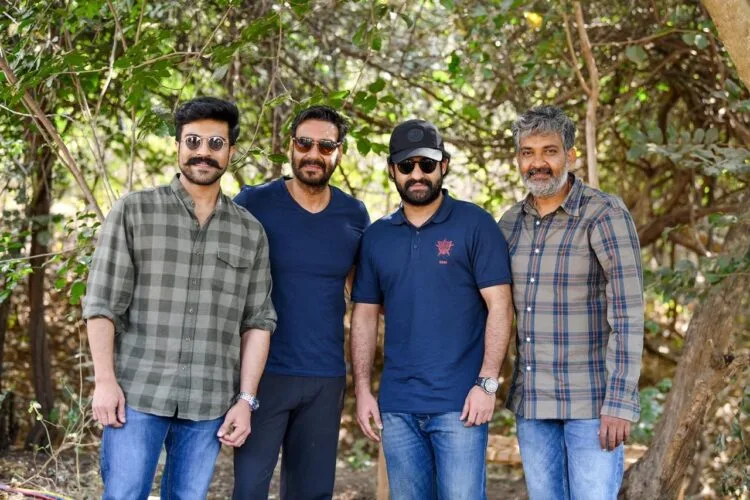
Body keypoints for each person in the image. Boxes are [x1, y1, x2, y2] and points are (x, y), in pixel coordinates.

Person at [83, 97, 276, 500]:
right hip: (136, 395)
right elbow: (102, 304)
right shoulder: (135, 212)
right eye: (193, 141)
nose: (203, 152)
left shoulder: (250, 232)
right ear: (178, 145)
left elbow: (258, 321)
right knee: (123, 495)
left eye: (215, 143)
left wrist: (245, 400)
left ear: (231, 151)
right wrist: (104, 382)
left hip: (209, 403)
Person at [350, 119, 513, 500]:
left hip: (461, 406)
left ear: (444, 165)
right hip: (398, 408)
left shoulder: (476, 224)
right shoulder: (376, 237)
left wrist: (487, 384)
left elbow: (501, 306)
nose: (417, 174)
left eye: (427, 164)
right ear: (392, 170)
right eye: (406, 165)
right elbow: (365, 316)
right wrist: (363, 390)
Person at [498, 105, 644, 499]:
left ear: (571, 155)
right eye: (528, 152)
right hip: (533, 404)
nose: (538, 163)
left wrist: (620, 401)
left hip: (591, 406)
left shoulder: (603, 213)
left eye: (550, 151)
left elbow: (628, 312)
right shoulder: (510, 223)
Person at [232, 105, 370, 499]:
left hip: (325, 377)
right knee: (249, 490)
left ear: (339, 152)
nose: (313, 154)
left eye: (326, 146)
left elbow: (363, 297)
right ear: (290, 145)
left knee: (312, 493)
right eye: (304, 143)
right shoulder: (254, 203)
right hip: (262, 375)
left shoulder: (353, 214)